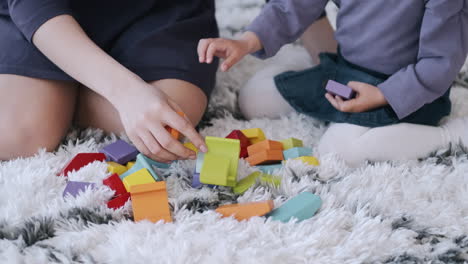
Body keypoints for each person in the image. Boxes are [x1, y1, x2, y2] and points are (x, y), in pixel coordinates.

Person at [198, 0, 468, 167]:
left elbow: (439, 64)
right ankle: (314, 72)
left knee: (339, 151)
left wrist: (383, 95)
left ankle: (452, 135)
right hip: (346, 75)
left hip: (405, 92)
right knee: (252, 99)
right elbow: (292, 6)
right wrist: (246, 41)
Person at [0, 0, 218, 162]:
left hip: (158, 12)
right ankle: (75, 76)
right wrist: (127, 92)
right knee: (19, 136)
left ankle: (73, 84)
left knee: (170, 120)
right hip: (48, 15)